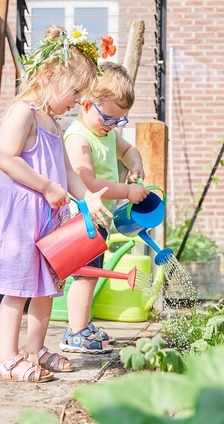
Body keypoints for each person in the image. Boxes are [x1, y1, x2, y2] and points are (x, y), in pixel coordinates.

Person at [0, 25, 113, 382]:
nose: (78, 101)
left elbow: (68, 170)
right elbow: (7, 158)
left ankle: (34, 348)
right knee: (18, 288)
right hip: (22, 215)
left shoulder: (53, 121)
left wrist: (87, 198)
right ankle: (6, 357)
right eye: (75, 92)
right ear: (50, 75)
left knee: (47, 286)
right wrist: (46, 186)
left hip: (48, 218)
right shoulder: (25, 111)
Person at [60, 61, 150, 354]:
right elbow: (87, 180)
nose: (112, 125)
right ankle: (75, 332)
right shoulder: (78, 138)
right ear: (86, 103)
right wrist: (127, 191)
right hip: (81, 219)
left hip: (98, 219)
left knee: (91, 273)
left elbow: (128, 150)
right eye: (108, 117)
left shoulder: (106, 133)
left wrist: (135, 163)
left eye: (119, 120)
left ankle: (82, 326)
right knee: (85, 275)